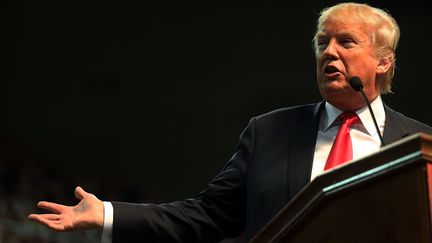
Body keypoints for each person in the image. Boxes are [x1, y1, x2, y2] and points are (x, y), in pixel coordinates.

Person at [28, 3, 432, 243]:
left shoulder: (421, 144)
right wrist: (109, 214)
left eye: (345, 42)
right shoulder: (269, 133)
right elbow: (206, 216)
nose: (328, 52)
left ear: (383, 62)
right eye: (321, 42)